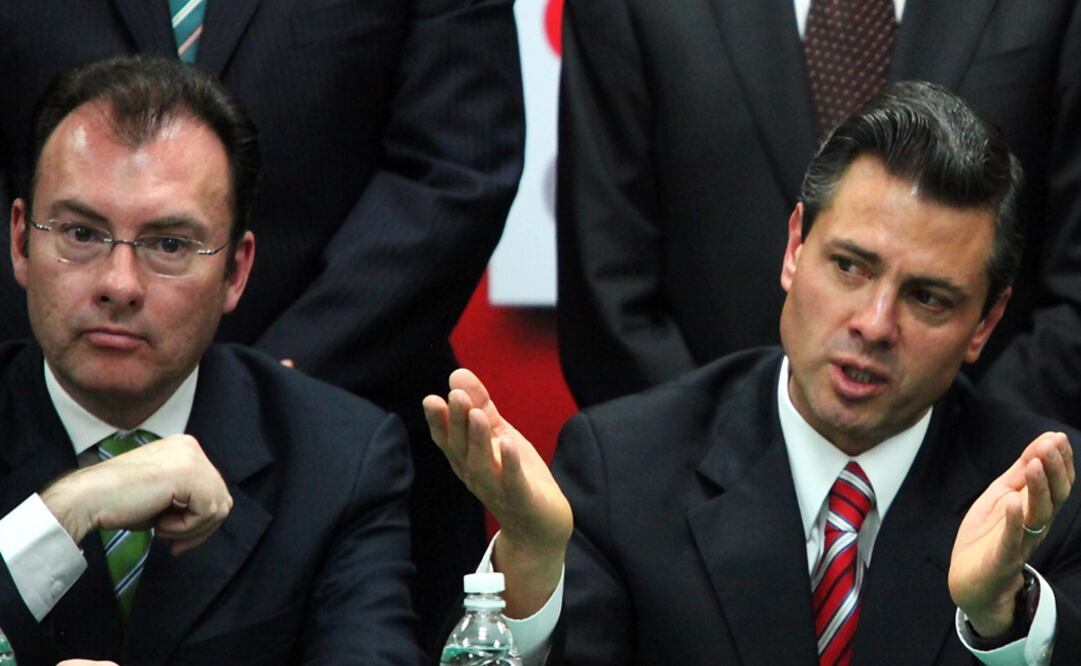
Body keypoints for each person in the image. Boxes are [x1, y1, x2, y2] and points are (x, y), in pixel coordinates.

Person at [426, 82, 1081, 664]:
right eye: (849, 266)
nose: (875, 324)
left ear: (985, 322)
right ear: (795, 248)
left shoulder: (1045, 499)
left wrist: (1005, 618)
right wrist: (533, 567)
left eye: (926, 299)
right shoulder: (623, 467)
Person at [0, 2, 525, 645]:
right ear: (21, 240)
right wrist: (58, 517)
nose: (119, 285)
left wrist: (274, 393)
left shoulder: (343, 464)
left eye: (168, 245)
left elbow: (458, 162)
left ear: (237, 269)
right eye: (81, 233)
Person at [556, 0, 1081, 430]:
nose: (873, 326)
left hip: (986, 492)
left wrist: (955, 460)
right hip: (680, 494)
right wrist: (710, 461)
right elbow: (607, 284)